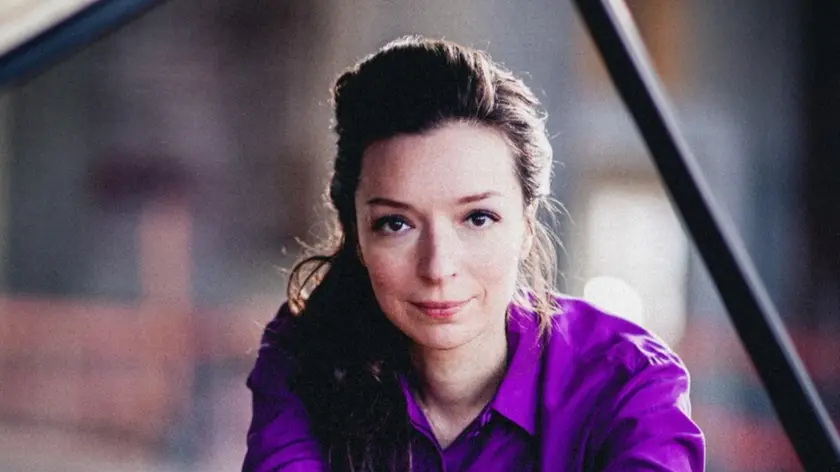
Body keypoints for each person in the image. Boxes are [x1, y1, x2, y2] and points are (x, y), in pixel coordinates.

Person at [243, 35, 705, 472]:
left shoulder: (628, 382)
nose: (438, 267)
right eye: (396, 223)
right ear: (356, 235)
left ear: (526, 226)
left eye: (478, 218)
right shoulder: (308, 354)